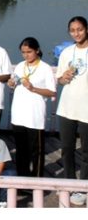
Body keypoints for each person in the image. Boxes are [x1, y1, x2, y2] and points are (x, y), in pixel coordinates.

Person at [7, 37, 55, 178]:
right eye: (23, 52)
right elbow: (14, 81)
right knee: (21, 150)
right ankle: (23, 179)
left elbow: (52, 91)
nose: (26, 55)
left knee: (36, 151)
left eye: (29, 52)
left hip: (35, 115)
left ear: (37, 50)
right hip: (19, 114)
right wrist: (11, 83)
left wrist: (33, 88)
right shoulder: (21, 66)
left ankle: (37, 180)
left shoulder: (45, 68)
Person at [56, 16, 88, 206]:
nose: (76, 33)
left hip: (86, 108)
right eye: (73, 30)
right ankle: (68, 183)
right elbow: (60, 79)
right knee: (66, 148)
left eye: (80, 29)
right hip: (67, 107)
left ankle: (83, 187)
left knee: (86, 150)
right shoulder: (67, 52)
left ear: (86, 30)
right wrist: (64, 77)